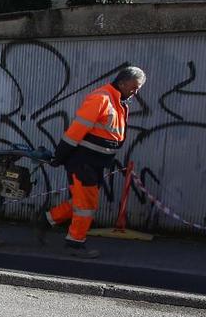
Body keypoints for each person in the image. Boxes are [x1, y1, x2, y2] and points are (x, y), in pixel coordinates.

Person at [37, 66, 146, 258]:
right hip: (83, 162)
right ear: (121, 83)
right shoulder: (101, 98)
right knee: (86, 206)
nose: (136, 92)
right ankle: (75, 244)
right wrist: (59, 157)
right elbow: (76, 131)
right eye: (134, 87)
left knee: (82, 201)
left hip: (95, 163)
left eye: (138, 88)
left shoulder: (118, 102)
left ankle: (47, 219)